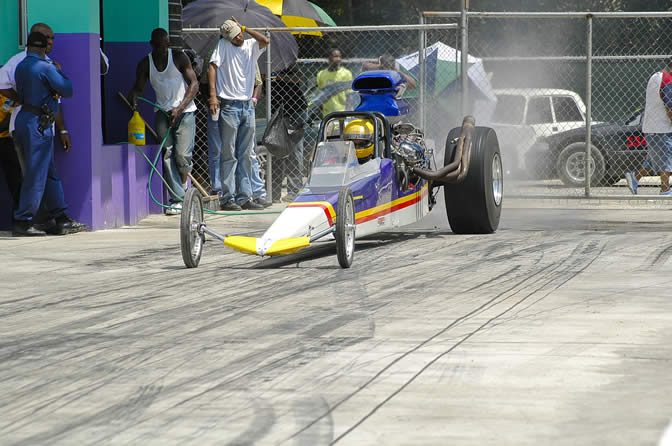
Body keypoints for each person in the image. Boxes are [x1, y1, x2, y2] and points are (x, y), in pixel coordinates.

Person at [12, 31, 85, 236]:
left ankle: (61, 217)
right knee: (36, 174)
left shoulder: (21, 66)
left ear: (27, 47)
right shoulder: (45, 66)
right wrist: (58, 72)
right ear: (44, 48)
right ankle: (23, 221)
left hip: (26, 119)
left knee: (49, 172)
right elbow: (68, 89)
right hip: (38, 124)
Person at [128, 28, 199, 215]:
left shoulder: (179, 58)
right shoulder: (145, 64)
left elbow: (194, 84)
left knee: (183, 156)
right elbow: (138, 87)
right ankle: (178, 199)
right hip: (162, 112)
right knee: (167, 153)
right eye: (159, 46)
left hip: (185, 112)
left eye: (165, 45)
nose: (162, 49)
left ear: (168, 43)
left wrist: (180, 108)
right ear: (152, 45)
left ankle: (183, 188)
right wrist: (134, 95)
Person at [208, 17, 269, 211]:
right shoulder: (223, 45)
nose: (238, 38)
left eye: (239, 34)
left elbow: (265, 41)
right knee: (229, 153)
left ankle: (244, 196)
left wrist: (245, 27)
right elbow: (212, 67)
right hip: (229, 106)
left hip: (247, 106)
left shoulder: (250, 44)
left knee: (245, 153)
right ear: (227, 37)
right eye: (234, 37)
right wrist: (213, 95)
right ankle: (228, 197)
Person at [625, 58, 672, 195]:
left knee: (654, 157)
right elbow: (670, 108)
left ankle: (635, 177)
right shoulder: (668, 81)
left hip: (652, 126)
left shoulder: (656, 76)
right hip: (661, 128)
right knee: (666, 157)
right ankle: (665, 189)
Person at [271, 64, 307, 203]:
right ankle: (273, 193)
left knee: (294, 152)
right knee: (276, 152)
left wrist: (277, 77)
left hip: (295, 110)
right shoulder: (259, 63)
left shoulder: (285, 62)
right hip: (277, 112)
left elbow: (300, 78)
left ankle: (294, 191)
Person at [0, 93, 22, 211]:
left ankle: (21, 221)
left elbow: (9, 118)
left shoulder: (9, 92)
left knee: (16, 182)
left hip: (7, 141)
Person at [316, 48, 353, 117]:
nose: (338, 59)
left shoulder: (346, 73)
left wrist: (347, 114)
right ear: (329, 58)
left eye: (340, 56)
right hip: (327, 115)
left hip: (342, 113)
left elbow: (349, 95)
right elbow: (320, 96)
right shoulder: (321, 74)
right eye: (336, 56)